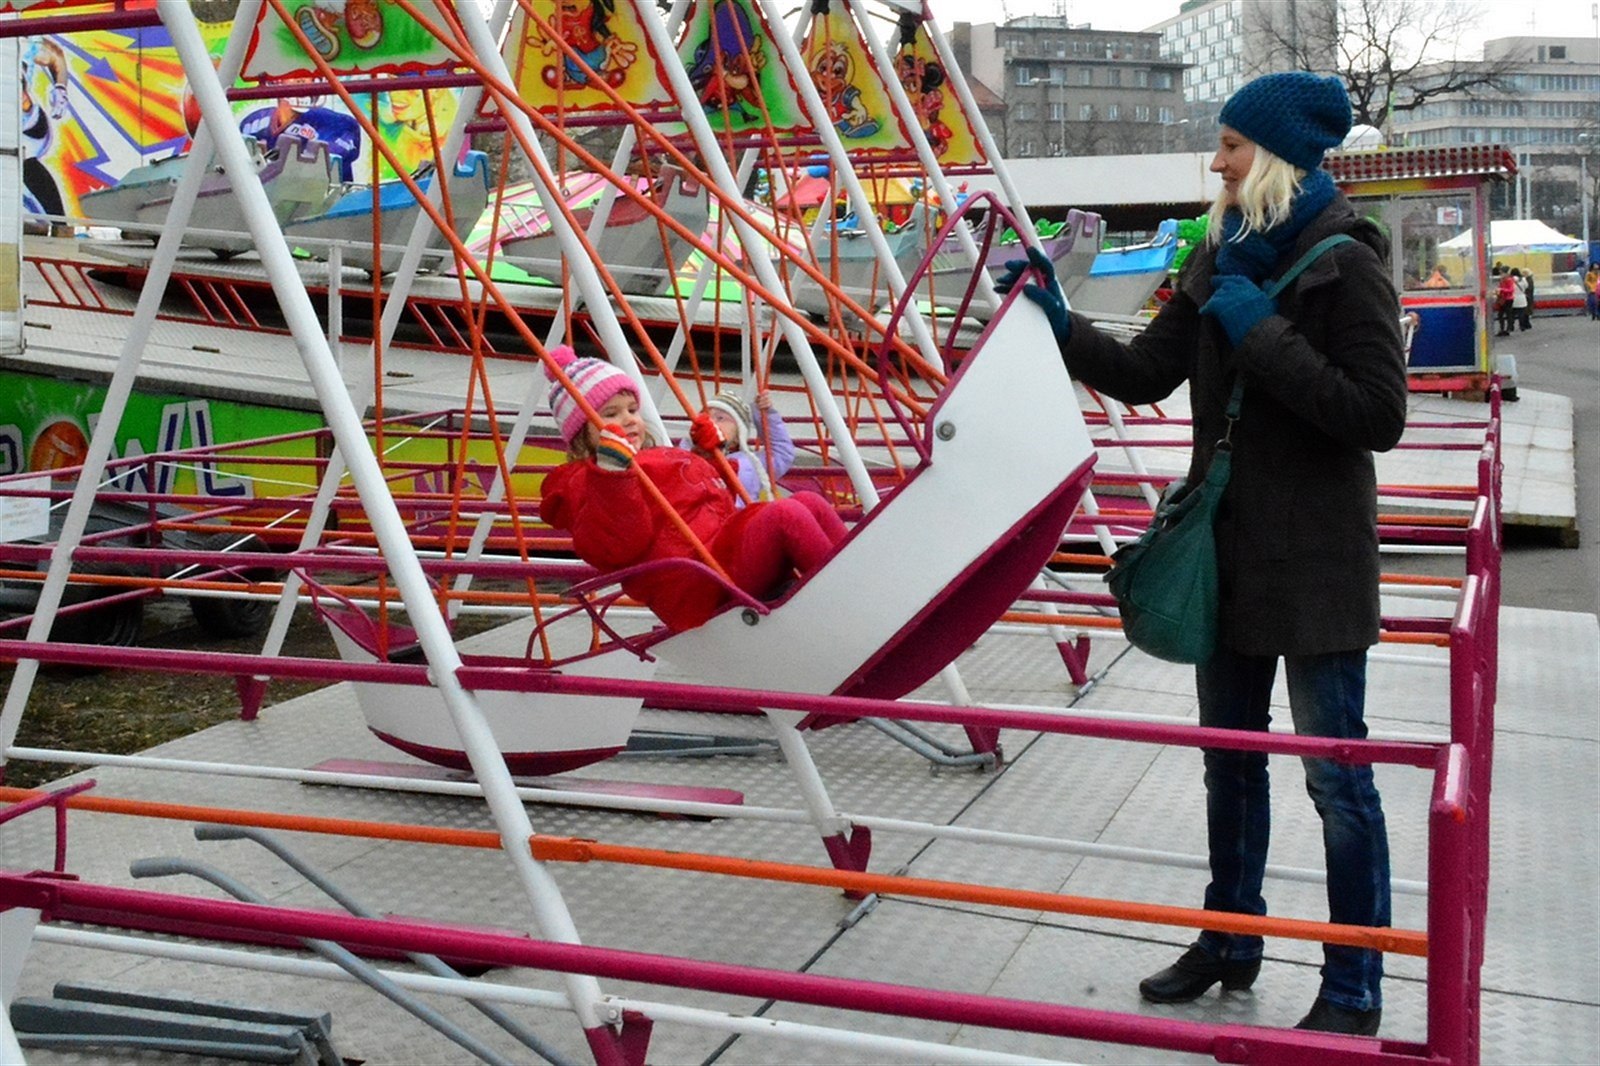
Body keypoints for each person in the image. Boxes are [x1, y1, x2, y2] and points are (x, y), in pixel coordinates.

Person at [998, 72, 1406, 1037]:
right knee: (1231, 761)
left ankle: (1354, 986)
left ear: (1275, 156)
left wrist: (1259, 332)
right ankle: (1230, 939)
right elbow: (1148, 373)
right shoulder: (1221, 250)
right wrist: (1058, 320)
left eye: (1229, 145)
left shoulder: (1347, 262)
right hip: (1224, 553)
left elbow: (1377, 415)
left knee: (1336, 779)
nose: (1214, 163)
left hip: (1316, 565)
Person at [538, 346, 846, 632]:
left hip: (719, 553)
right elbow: (617, 544)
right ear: (581, 433)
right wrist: (612, 477)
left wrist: (705, 455)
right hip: (699, 586)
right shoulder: (589, 481)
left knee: (809, 501)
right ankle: (842, 601)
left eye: (632, 410)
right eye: (611, 414)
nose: (628, 420)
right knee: (785, 515)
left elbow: (705, 500)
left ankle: (855, 579)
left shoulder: (654, 457)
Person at [683, 389, 795, 506]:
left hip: (741, 515)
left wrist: (765, 416)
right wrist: (697, 446)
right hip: (699, 515)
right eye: (706, 417)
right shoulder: (686, 455)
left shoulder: (752, 463)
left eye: (720, 418)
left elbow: (781, 452)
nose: (711, 422)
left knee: (794, 505)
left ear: (738, 435)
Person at [1494, 268, 1517, 336]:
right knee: (1500, 314)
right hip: (1502, 298)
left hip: (1508, 299)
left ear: (1506, 273)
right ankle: (1502, 329)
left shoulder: (1509, 280)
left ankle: (1508, 329)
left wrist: (1501, 289)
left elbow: (1511, 290)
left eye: (1501, 273)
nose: (1500, 274)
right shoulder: (1502, 280)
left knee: (1508, 314)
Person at [1509, 268, 1529, 333]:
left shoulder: (1510, 279)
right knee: (1521, 313)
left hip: (1512, 298)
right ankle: (1522, 326)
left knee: (1512, 314)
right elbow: (1526, 286)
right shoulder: (1523, 279)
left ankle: (1511, 326)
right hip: (1522, 298)